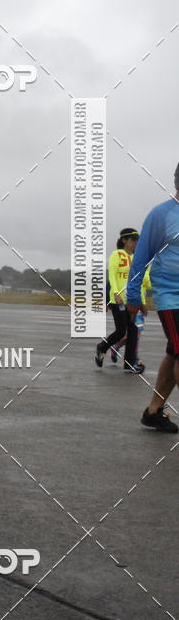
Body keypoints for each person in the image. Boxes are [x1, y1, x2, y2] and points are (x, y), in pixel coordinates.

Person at [127, 165, 179, 432]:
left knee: (174, 352)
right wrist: (134, 295)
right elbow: (141, 256)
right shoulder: (162, 215)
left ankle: (153, 411)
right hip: (171, 296)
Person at [95, 228, 142, 373]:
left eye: (137, 241)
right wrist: (115, 293)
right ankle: (101, 348)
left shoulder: (135, 257)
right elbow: (112, 276)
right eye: (133, 240)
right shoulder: (116, 255)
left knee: (133, 330)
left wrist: (139, 299)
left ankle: (129, 364)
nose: (135, 243)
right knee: (121, 331)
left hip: (130, 300)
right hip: (117, 300)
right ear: (124, 240)